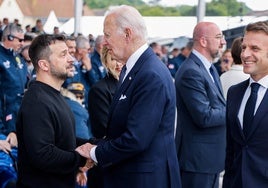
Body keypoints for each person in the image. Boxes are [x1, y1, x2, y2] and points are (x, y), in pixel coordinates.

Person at [76, 5, 181, 188]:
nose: (104, 43)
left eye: (107, 35)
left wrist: (94, 152)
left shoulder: (149, 74)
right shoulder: (136, 69)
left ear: (127, 34)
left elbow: (136, 138)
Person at [16, 34, 91, 188]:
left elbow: (64, 139)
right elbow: (43, 154)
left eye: (70, 53)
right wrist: (82, 159)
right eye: (63, 54)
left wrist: (94, 146)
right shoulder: (36, 101)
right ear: (44, 65)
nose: (71, 59)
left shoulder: (54, 95)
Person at [174, 21, 226, 188]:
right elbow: (204, 116)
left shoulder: (209, 69)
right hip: (197, 162)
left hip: (207, 160)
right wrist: (234, 109)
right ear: (203, 41)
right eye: (218, 37)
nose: (223, 42)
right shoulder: (191, 71)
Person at [223, 20, 268, 188]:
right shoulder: (234, 92)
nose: (245, 54)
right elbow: (231, 150)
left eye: (254, 49)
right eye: (243, 47)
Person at [86, 46, 123, 188]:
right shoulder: (99, 90)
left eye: (121, 59)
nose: (119, 64)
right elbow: (103, 130)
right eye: (114, 59)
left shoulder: (132, 86)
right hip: (108, 161)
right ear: (106, 62)